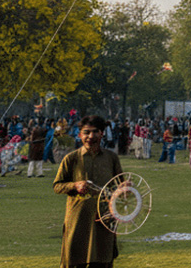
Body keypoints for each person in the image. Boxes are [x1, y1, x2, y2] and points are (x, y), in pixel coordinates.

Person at [54, 115, 123, 268]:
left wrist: (126, 189)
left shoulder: (111, 158)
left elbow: (122, 185)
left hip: (104, 218)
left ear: (102, 134)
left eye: (95, 132)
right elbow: (57, 186)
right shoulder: (71, 159)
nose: (90, 136)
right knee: (75, 260)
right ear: (80, 135)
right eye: (86, 132)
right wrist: (74, 186)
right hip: (78, 218)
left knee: (102, 261)